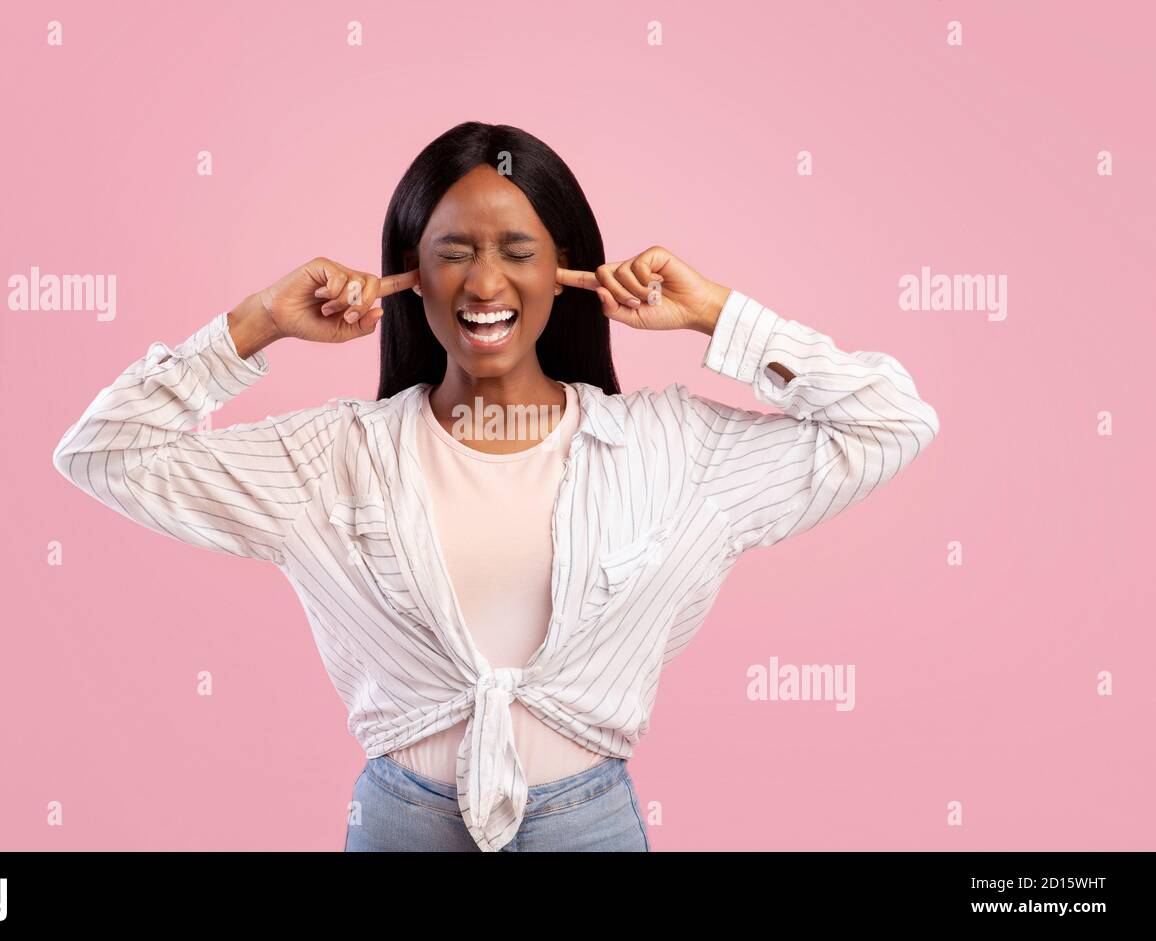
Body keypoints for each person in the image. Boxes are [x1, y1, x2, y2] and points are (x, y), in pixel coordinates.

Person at [52, 121, 940, 852]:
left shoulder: (673, 447)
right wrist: (254, 326)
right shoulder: (333, 457)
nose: (484, 283)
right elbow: (104, 453)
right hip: (399, 825)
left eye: (518, 251)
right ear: (411, 275)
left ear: (569, 269)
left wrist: (716, 313)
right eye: (453, 253)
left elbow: (890, 421)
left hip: (590, 825)